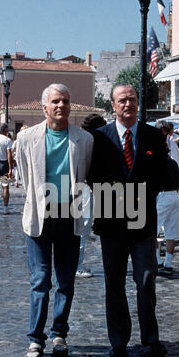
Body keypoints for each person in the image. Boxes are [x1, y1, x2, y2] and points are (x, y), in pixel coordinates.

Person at [87, 84, 168, 357]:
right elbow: (92, 177)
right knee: (114, 284)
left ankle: (150, 339)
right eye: (122, 100)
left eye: (132, 99)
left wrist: (140, 199)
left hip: (143, 223)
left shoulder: (153, 136)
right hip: (111, 223)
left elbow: (161, 175)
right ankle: (119, 341)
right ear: (113, 105)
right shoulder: (99, 138)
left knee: (146, 281)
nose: (127, 104)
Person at [16, 83, 93, 357]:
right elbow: (25, 177)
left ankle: (59, 334)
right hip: (39, 217)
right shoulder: (26, 139)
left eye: (66, 101)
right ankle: (35, 340)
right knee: (40, 280)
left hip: (69, 216)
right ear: (44, 107)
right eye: (56, 101)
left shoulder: (84, 140)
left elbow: (84, 174)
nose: (61, 106)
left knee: (66, 281)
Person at [76, 113, 107, 278]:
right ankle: (77, 265)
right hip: (88, 187)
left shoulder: (81, 140)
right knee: (83, 227)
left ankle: (75, 263)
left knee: (81, 227)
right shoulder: (94, 141)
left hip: (81, 186)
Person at [156, 155, 179, 275]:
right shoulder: (173, 163)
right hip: (173, 195)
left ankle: (157, 260)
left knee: (153, 230)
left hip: (162, 195)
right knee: (171, 232)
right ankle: (168, 264)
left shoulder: (156, 163)